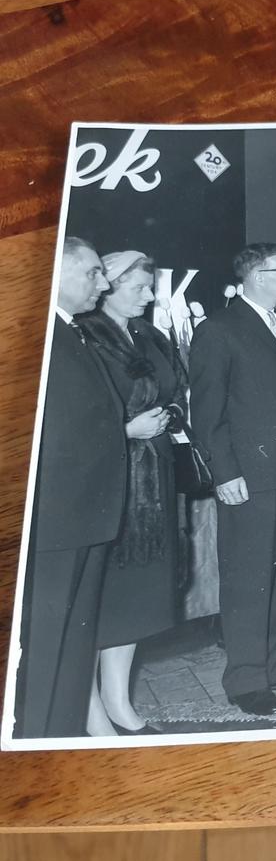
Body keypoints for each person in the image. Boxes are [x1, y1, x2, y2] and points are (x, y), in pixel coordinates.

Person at [190, 243, 276, 716]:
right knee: (249, 578)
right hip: (250, 476)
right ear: (256, 276)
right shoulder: (218, 330)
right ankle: (246, 679)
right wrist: (225, 472)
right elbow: (206, 411)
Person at [15, 238, 126, 738]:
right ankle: (36, 742)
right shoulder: (36, 336)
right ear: (56, 273)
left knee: (72, 646)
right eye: (92, 273)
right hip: (54, 520)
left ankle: (62, 740)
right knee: (46, 646)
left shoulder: (71, 332)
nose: (103, 284)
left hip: (84, 516)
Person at [77, 251, 188, 737]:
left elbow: (176, 391)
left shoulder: (149, 335)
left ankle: (118, 701)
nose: (148, 296)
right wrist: (126, 430)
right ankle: (89, 713)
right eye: (138, 288)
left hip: (153, 482)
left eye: (150, 287)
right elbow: (73, 419)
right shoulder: (84, 335)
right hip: (105, 482)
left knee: (133, 597)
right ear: (107, 284)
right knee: (97, 600)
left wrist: (168, 417)